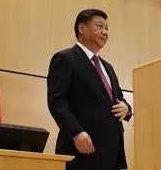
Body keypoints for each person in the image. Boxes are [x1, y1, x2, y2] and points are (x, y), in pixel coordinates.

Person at [47, 9, 132, 170]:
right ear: (82, 28)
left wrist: (127, 109)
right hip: (82, 150)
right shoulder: (65, 58)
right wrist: (76, 132)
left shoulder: (108, 67)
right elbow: (57, 102)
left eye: (107, 28)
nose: (105, 32)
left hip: (113, 154)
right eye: (100, 26)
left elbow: (120, 99)